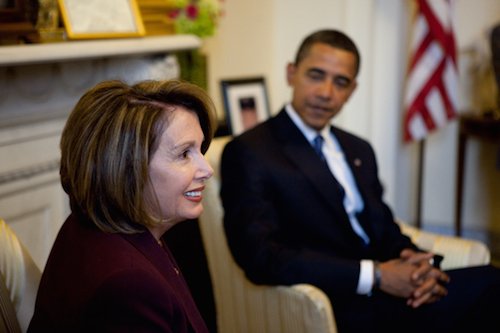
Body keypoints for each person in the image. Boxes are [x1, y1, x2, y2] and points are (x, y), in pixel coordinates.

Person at [220, 29, 500, 332]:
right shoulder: (251, 150)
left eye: (340, 82)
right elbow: (261, 257)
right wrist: (376, 275)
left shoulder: (358, 148)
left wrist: (418, 264)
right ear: (291, 74)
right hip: (335, 302)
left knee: (488, 281)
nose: (326, 92)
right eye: (315, 75)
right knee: (489, 287)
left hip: (389, 292)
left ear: (352, 90)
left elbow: (382, 227)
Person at [28, 79, 216, 332]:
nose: (207, 169)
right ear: (128, 168)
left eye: (200, 150)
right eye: (184, 154)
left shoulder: (89, 223)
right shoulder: (129, 287)